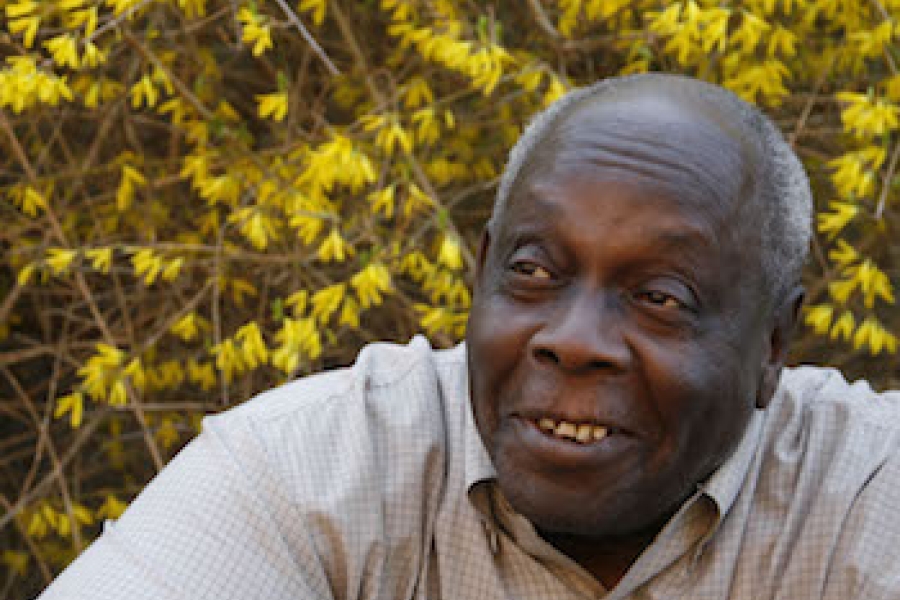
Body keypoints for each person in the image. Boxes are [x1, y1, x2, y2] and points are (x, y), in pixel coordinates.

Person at [39, 73, 900, 600]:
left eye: (660, 297)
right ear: (480, 273)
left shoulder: (867, 495)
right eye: (533, 271)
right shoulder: (308, 472)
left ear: (774, 344)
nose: (573, 340)